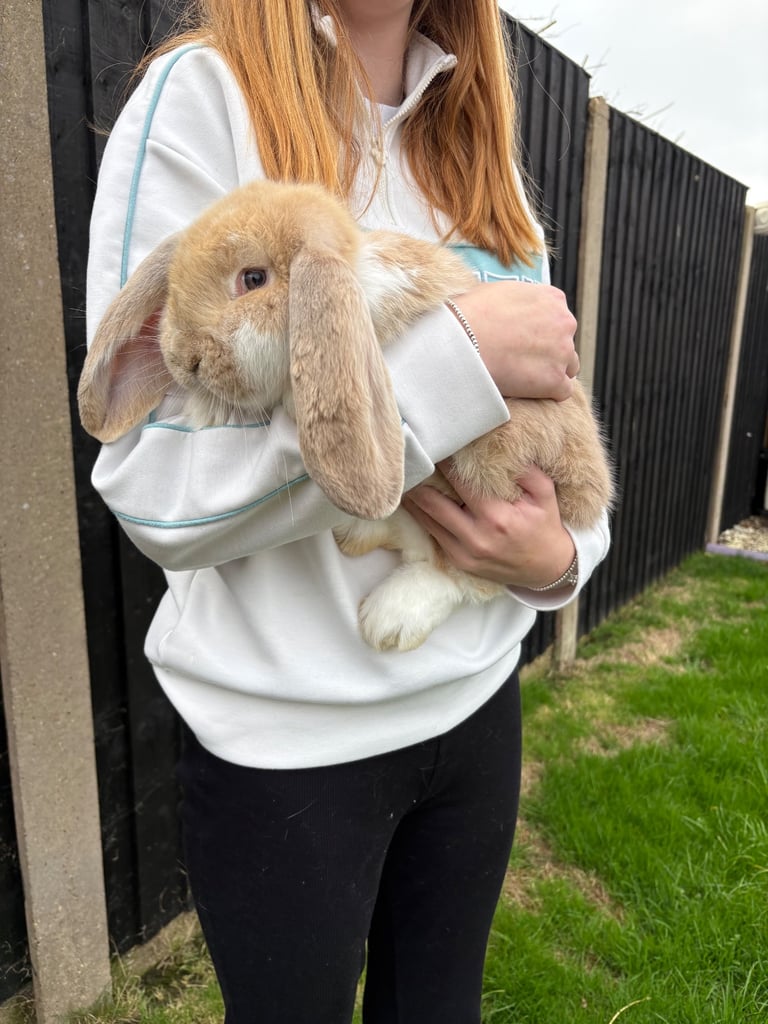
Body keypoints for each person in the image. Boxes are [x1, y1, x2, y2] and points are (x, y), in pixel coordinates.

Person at [85, 1, 610, 1021]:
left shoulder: (479, 147)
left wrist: (559, 560)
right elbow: (151, 483)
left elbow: (560, 401)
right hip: (290, 743)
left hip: (475, 701)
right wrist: (455, 365)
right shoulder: (202, 96)